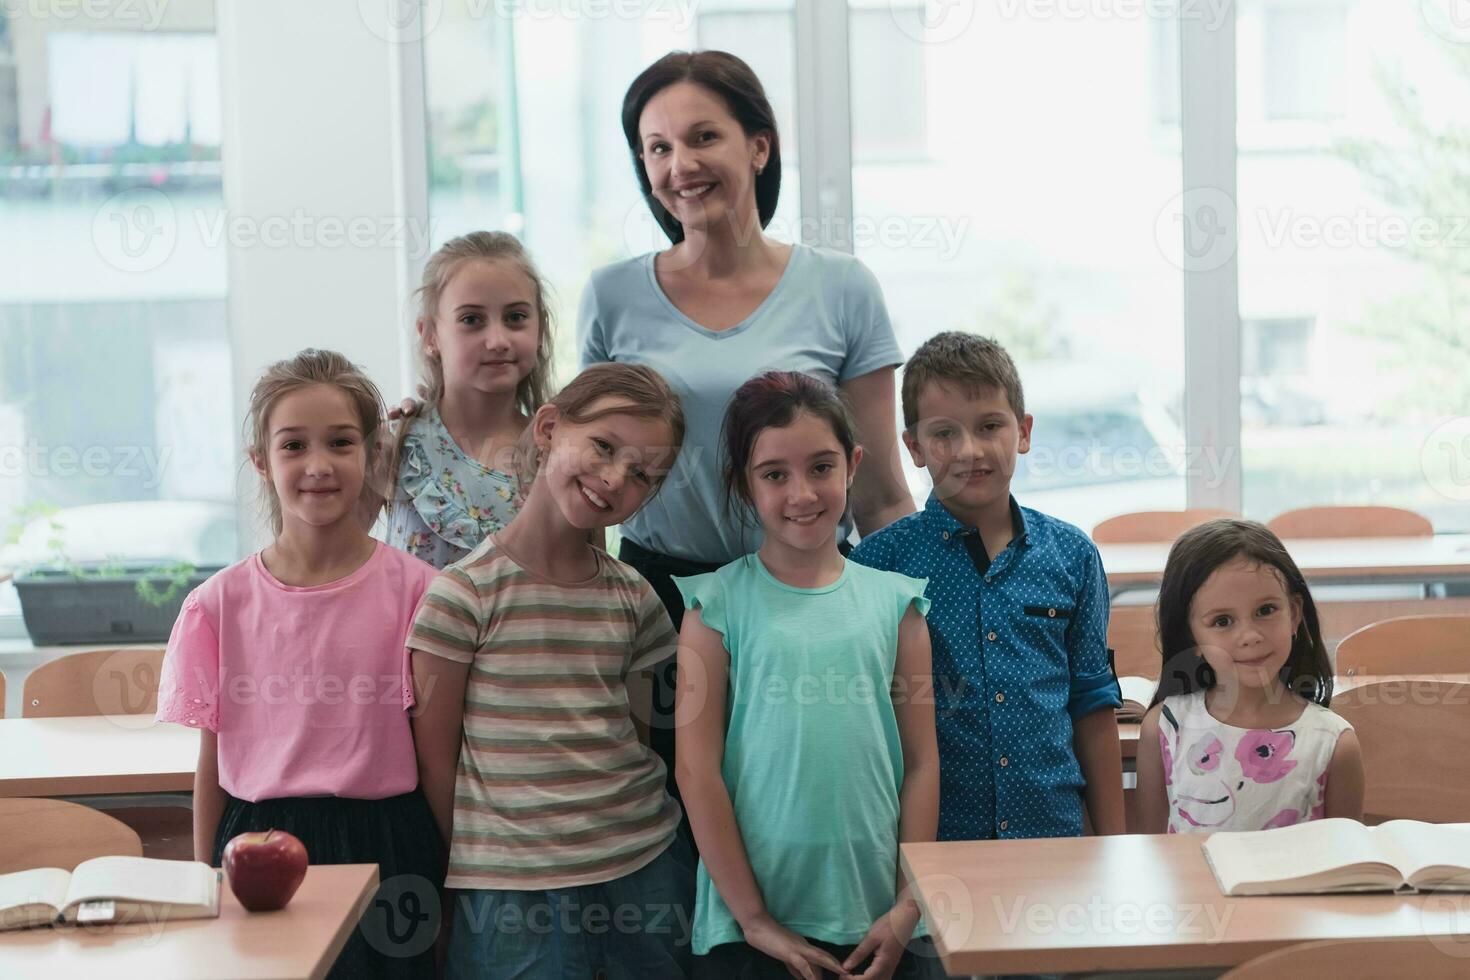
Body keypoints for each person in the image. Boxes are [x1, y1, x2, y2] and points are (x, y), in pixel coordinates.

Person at [583, 49, 915, 805]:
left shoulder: (843, 289)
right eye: (657, 148)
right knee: (675, 818)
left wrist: (912, 620)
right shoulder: (611, 296)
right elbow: (587, 474)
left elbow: (884, 495)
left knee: (808, 804)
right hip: (661, 598)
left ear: (758, 146)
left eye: (703, 138)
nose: (680, 165)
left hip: (813, 593)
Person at [156, 349, 444, 979]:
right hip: (255, 841)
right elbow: (212, 761)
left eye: (340, 442)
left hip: (389, 843)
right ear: (262, 462)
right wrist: (207, 880)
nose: (318, 466)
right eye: (293, 446)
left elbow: (435, 754)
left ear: (370, 453)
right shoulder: (217, 605)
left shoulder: (420, 593)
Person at [407, 363, 695, 979]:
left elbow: (641, 739)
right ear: (547, 428)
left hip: (645, 872)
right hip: (510, 895)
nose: (615, 477)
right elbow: (437, 766)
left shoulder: (637, 598)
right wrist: (463, 879)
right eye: (603, 446)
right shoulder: (460, 596)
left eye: (641, 474)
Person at [674, 371, 943, 980]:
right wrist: (754, 919)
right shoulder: (712, 609)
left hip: (882, 923)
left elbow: (922, 763)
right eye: (774, 474)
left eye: (821, 467)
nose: (802, 493)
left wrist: (907, 903)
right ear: (744, 485)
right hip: (753, 932)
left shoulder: (899, 607)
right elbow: (695, 770)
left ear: (852, 465)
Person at [850, 332, 1126, 843]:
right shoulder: (877, 565)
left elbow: (1092, 705)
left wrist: (1113, 846)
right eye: (944, 434)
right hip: (934, 845)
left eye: (990, 426)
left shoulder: (1072, 555)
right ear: (913, 446)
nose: (969, 451)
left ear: (1023, 431)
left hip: (1052, 836)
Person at [1135, 518, 1364, 833]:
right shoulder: (1164, 727)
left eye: (1266, 610)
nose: (1250, 635)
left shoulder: (1334, 743)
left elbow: (1345, 866)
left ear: (1294, 614)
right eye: (1223, 620)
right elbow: (1151, 854)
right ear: (1191, 636)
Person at [383, 230, 555, 567]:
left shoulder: (559, 454)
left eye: (516, 318)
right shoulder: (397, 445)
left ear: (540, 330)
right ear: (430, 335)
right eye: (471, 320)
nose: (497, 340)